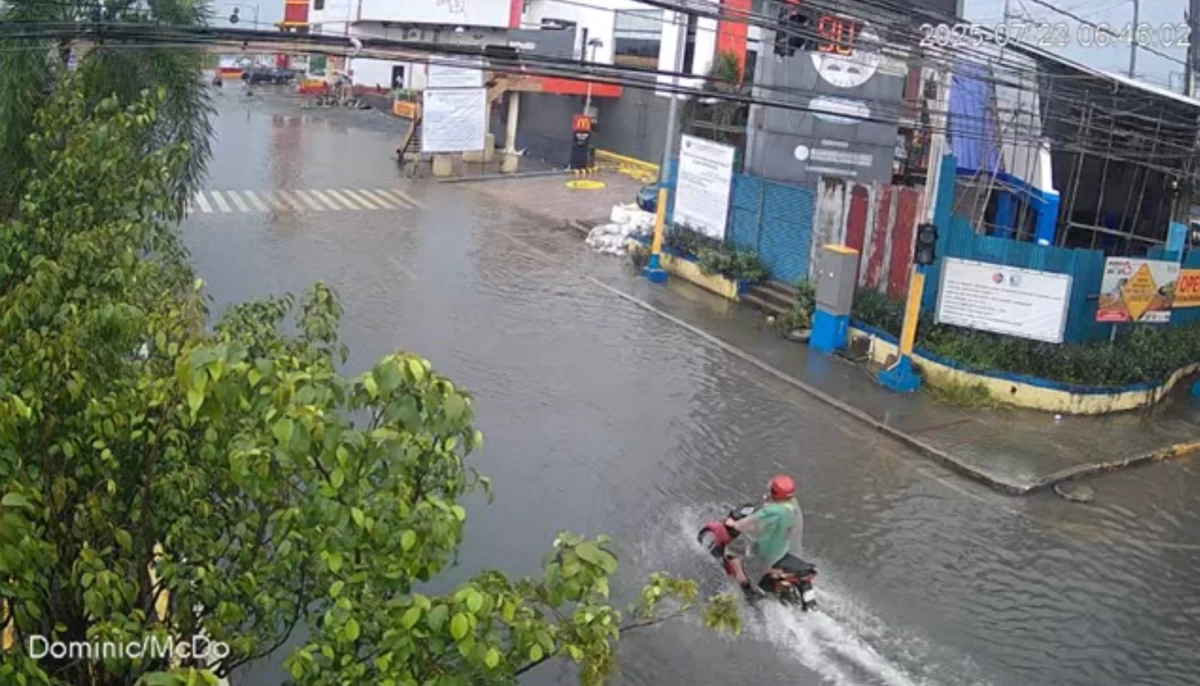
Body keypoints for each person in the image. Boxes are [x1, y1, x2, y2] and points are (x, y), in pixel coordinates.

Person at [725, 474, 803, 599]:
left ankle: (742, 579)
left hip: (769, 549)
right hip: (783, 547)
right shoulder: (793, 505)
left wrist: (733, 524)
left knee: (732, 551)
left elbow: (745, 524)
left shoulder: (773, 512)